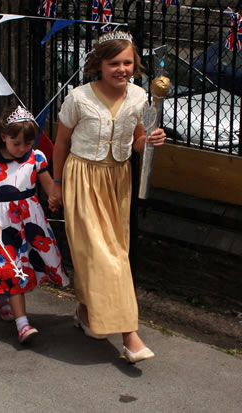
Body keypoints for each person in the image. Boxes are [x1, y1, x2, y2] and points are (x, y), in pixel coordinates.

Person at [49, 31, 166, 363]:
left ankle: (86, 313)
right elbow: (60, 144)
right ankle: (130, 335)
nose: (122, 69)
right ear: (98, 64)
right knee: (106, 256)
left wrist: (152, 140)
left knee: (106, 252)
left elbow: (138, 142)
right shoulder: (78, 98)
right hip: (83, 177)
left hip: (118, 180)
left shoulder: (142, 98)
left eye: (128, 62)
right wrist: (56, 185)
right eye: (114, 62)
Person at [0, 104, 70, 343]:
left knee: (26, 267)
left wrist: (56, 200)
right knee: (15, 271)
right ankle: (23, 324)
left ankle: (3, 298)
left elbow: (48, 185)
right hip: (3, 224)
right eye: (16, 143)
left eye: (27, 143)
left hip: (30, 222)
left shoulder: (36, 158)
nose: (22, 148)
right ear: (3, 136)